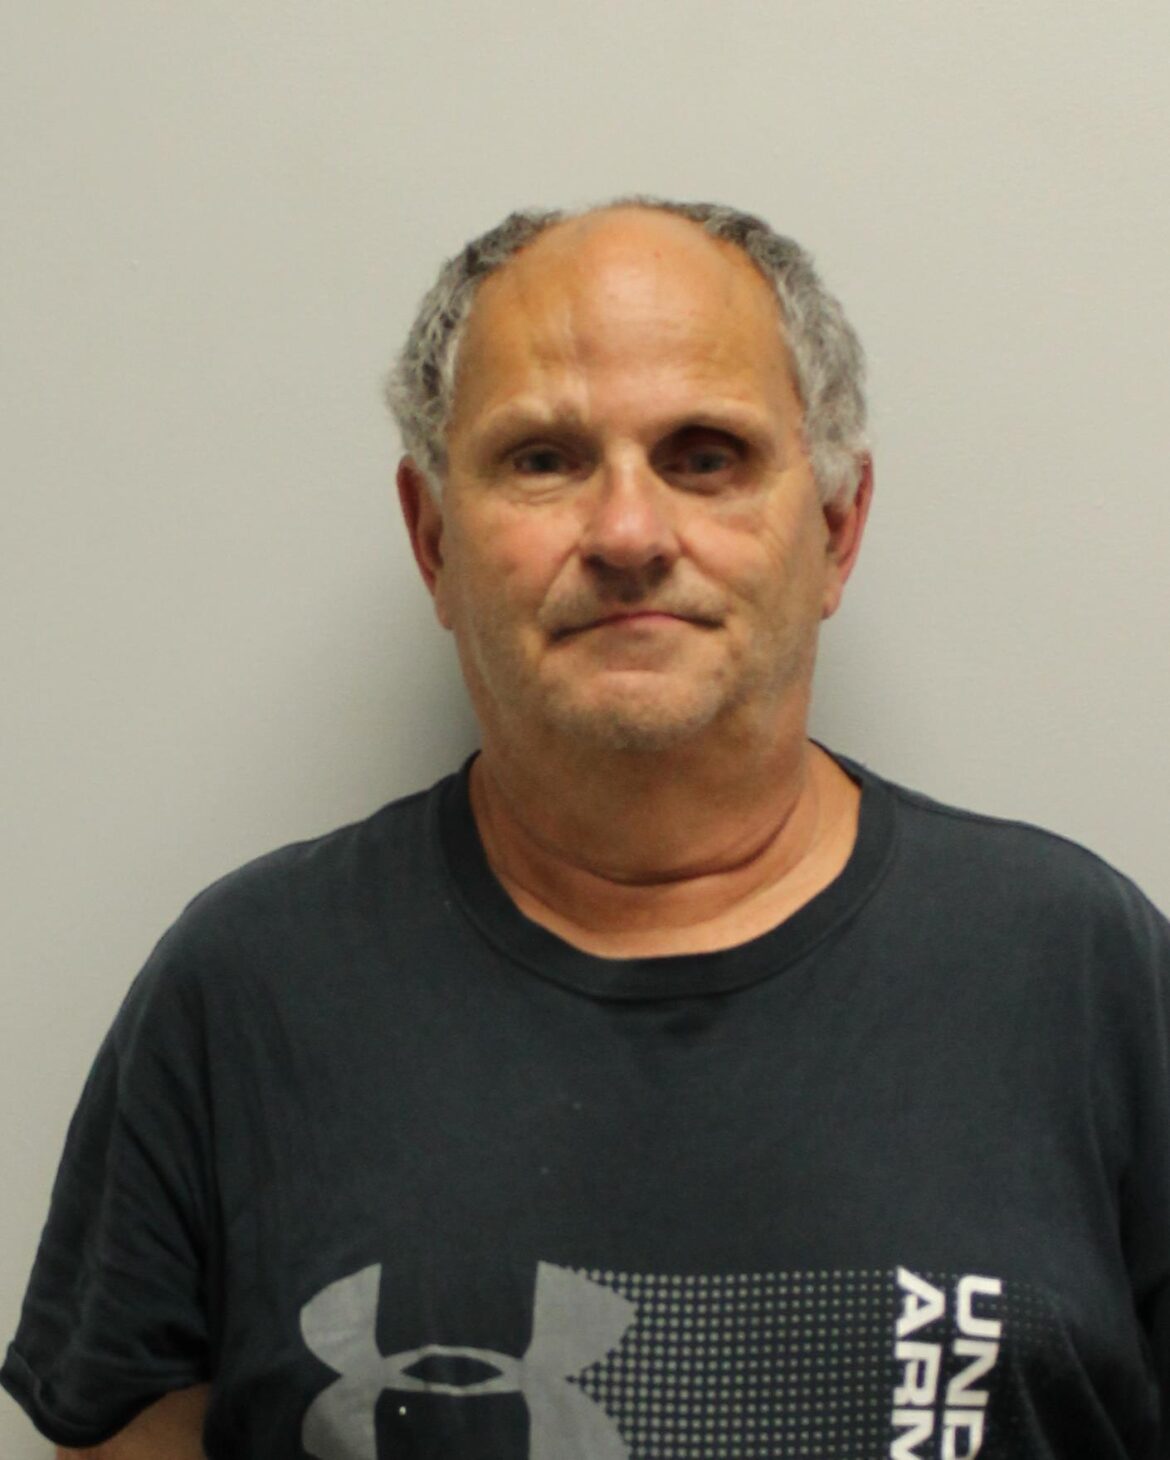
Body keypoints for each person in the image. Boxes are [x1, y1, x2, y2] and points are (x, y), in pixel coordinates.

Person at [4, 196, 1169, 1460]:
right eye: (544, 459)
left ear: (837, 528)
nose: (627, 533)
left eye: (705, 455)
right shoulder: (247, 992)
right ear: (433, 539)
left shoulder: (1082, 972)